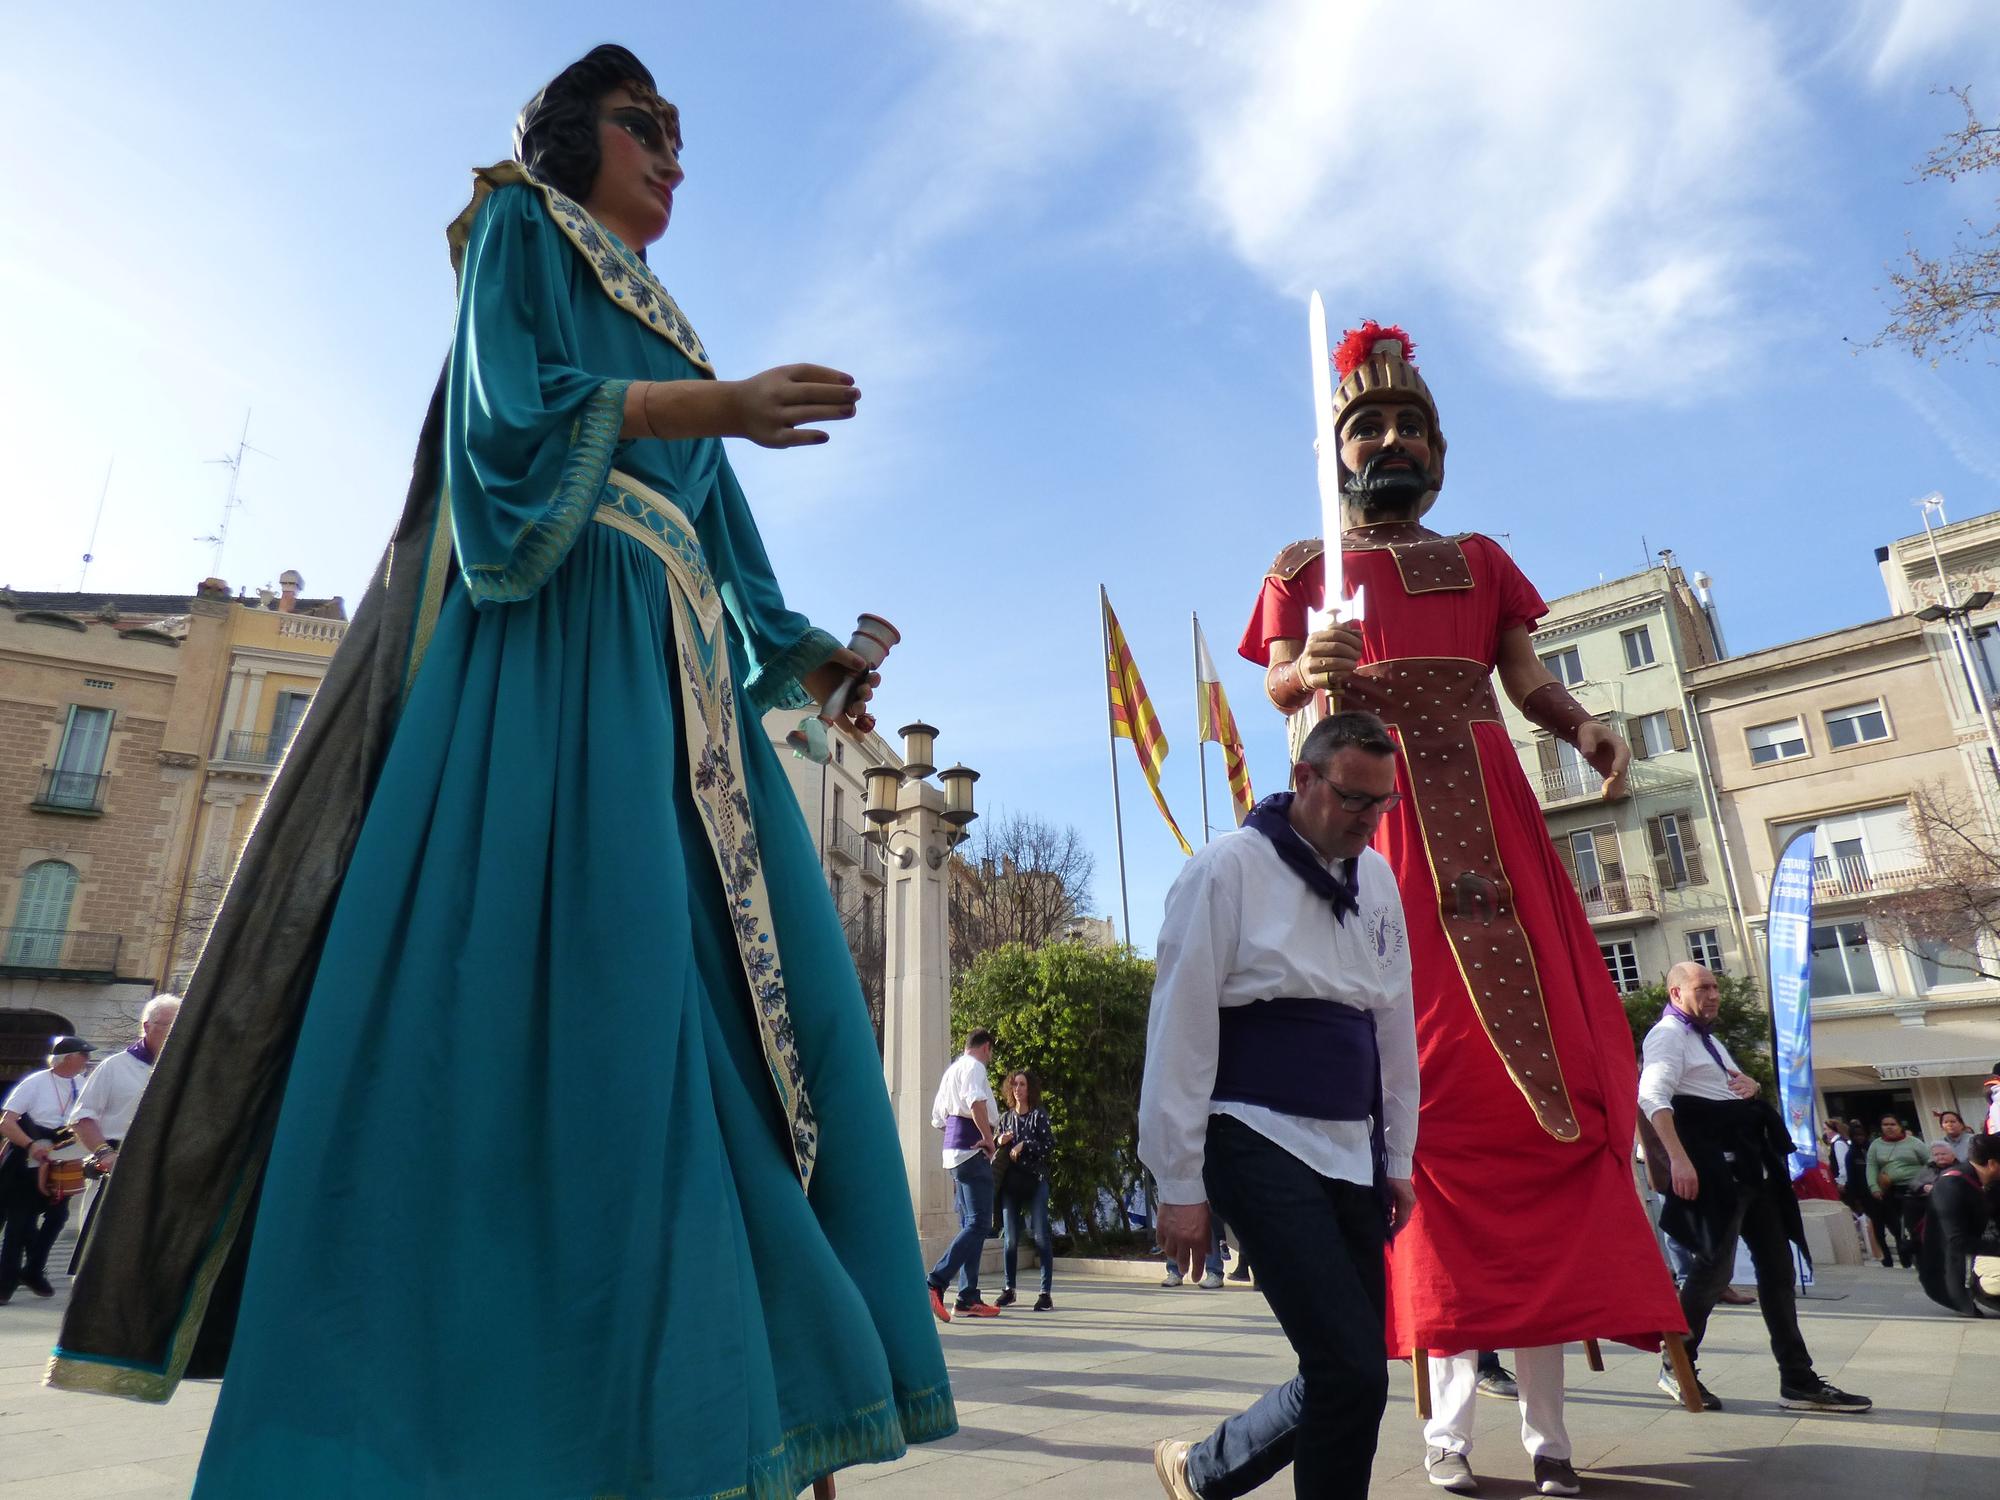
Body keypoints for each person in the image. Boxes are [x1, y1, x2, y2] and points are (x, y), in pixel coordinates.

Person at [50, 46, 954, 1500]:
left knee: (711, 1014)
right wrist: (710, 406)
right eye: (642, 127)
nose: (670, 154)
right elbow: (507, 437)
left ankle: (732, 1398)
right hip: (558, 643)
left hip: (678, 688)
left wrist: (817, 662)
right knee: (582, 994)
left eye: (679, 137)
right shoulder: (515, 228)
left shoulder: (667, 313)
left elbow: (724, 547)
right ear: (564, 136)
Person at [1240, 322, 1684, 1497]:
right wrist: (1311, 664)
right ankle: (1442, 1435)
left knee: (1538, 1107)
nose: (1388, 441)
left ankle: (1547, 1435)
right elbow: (1280, 678)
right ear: (1335, 452)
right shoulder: (1300, 563)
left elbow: (1526, 676)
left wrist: (1583, 725)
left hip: (1491, 822)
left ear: (1437, 449)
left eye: (1407, 427)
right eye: (1366, 427)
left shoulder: (1481, 558)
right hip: (1373, 822)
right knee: (1415, 1111)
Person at [1144, 712, 1420, 1500]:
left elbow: (1392, 1018)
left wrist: (1397, 1155)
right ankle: (1207, 1471)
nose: (1368, 821)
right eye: (1353, 800)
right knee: (1348, 1367)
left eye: (1382, 805)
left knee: (1354, 1368)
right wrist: (1179, 1181)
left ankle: (1202, 1471)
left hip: (1348, 1142)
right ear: (1304, 778)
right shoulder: (1225, 870)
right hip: (1252, 1133)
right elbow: (1181, 1028)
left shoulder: (1379, 879)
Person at [1641, 962, 1868, 1414]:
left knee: (1778, 1273)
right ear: (1675, 992)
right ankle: (1677, 1363)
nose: (1713, 995)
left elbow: (1726, 1089)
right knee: (1712, 1273)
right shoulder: (1668, 1035)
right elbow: (1651, 1097)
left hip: (1751, 1171)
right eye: (1702, 987)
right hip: (1717, 1174)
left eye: (1716, 987)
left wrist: (1752, 1085)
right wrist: (1679, 1160)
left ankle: (1798, 1379)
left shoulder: (1708, 1039)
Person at [0, 1036, 93, 1303]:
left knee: (57, 1217)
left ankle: (32, 1270)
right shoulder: (35, 1082)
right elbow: (7, 1122)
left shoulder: (81, 1082)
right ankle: (5, 1282)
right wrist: (30, 1145)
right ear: (67, 1058)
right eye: (82, 1055)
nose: (86, 1061)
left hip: (61, 1156)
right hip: (27, 1157)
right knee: (19, 1223)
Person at [928, 1029, 1000, 1320]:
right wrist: (988, 1137)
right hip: (972, 1152)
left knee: (972, 1224)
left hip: (955, 1153)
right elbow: (975, 1102)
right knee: (980, 1223)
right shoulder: (974, 1067)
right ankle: (936, 1281)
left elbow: (938, 1119)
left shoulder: (951, 1071)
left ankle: (968, 1296)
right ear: (985, 1048)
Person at [1917, 1134, 2000, 1317]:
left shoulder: (1990, 1183)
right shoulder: (1951, 1185)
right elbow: (1956, 1241)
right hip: (1955, 1271)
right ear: (1993, 1164)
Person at [995, 1069, 1057, 1311]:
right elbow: (993, 1144)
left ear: (1030, 1088)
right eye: (1014, 1085)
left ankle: (1045, 1293)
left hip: (1035, 1181)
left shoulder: (1038, 1116)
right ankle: (1009, 1290)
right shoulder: (1006, 1118)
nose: (1017, 1089)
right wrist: (1000, 1141)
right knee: (1009, 1239)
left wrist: (1025, 1144)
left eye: (1021, 1084)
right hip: (1011, 1185)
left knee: (1041, 1236)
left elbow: (1049, 1144)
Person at [1866, 1114, 1929, 1268]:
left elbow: (1929, 1162)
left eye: (1893, 1124)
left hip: (1916, 1189)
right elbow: (1871, 1166)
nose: (1889, 1127)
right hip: (1891, 1190)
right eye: (1885, 1124)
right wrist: (1874, 1187)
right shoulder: (1876, 1145)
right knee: (1897, 1227)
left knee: (1915, 1224)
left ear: (1900, 1126)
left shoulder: (1914, 1142)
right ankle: (1905, 1259)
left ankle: (1922, 1256)